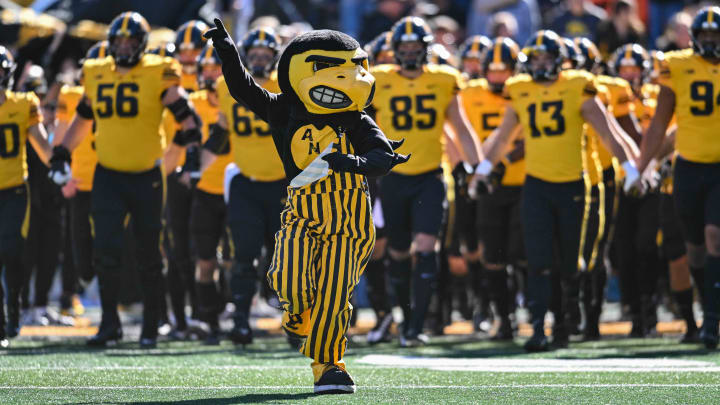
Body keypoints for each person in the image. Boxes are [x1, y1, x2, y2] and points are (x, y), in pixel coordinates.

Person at [204, 18, 408, 394]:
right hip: (302, 210)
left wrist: (357, 164)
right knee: (287, 278)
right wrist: (227, 51)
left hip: (350, 219)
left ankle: (329, 367)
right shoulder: (285, 111)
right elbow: (244, 90)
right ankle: (297, 315)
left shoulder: (356, 120)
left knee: (334, 294)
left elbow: (382, 157)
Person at [472, 30, 640, 351]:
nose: (542, 64)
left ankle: (563, 323)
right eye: (536, 58)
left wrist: (631, 170)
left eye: (547, 57)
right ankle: (538, 326)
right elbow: (503, 136)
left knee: (568, 262)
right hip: (536, 186)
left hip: (573, 185)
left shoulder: (577, 85)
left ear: (560, 60)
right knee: (537, 260)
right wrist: (482, 170)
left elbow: (608, 133)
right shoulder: (520, 89)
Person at [48, 11, 202, 348]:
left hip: (147, 174)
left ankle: (150, 325)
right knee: (106, 251)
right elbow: (83, 118)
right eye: (119, 41)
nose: (124, 47)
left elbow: (184, 115)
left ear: (142, 44)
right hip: (108, 175)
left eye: (130, 41)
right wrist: (61, 151)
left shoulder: (157, 71)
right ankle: (109, 323)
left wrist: (192, 147)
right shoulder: (97, 71)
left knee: (148, 253)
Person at [370, 16, 483, 347]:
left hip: (431, 176)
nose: (408, 53)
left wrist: (479, 166)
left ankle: (415, 325)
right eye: (402, 47)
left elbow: (461, 127)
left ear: (425, 49)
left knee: (427, 247)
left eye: (414, 47)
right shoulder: (378, 79)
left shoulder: (444, 79)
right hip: (393, 177)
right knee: (399, 251)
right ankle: (405, 317)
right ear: (393, 50)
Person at [635, 6, 720, 349]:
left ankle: (712, 319)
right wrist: (641, 164)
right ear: (695, 38)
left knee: (715, 237)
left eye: (716, 35)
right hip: (689, 166)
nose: (711, 41)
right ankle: (706, 305)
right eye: (706, 36)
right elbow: (659, 122)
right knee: (695, 249)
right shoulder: (677, 66)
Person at [203, 27, 286, 345]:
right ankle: (240, 321)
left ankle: (295, 320)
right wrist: (197, 170)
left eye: (267, 55)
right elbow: (221, 131)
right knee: (245, 256)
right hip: (246, 183)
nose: (261, 60)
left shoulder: (288, 85)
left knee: (287, 258)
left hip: (284, 184)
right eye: (254, 55)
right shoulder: (228, 86)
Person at [461, 36, 526, 340]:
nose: (498, 77)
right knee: (493, 256)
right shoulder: (470, 92)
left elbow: (532, 137)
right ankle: (504, 317)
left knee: (521, 253)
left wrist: (501, 159)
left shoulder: (525, 90)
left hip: (524, 182)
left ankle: (537, 314)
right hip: (488, 186)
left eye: (505, 70)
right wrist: (473, 167)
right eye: (493, 70)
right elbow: (460, 131)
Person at [0, 46, 53, 347]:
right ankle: (2, 322)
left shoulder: (24, 104)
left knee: (10, 251)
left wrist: (58, 163)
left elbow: (41, 144)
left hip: (14, 189)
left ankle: (14, 307)